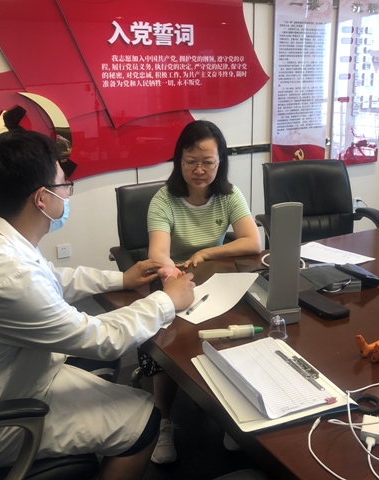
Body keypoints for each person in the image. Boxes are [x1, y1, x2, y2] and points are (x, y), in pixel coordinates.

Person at [0, 129, 195, 480]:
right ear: (42, 198)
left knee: (104, 371)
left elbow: (50, 278)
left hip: (5, 384)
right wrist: (167, 300)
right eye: (64, 184)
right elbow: (102, 339)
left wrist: (120, 279)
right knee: (144, 421)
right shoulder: (6, 273)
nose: (67, 192)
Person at [142, 120, 262, 463]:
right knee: (167, 341)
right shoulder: (163, 200)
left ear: (220, 161)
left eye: (207, 162)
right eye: (190, 161)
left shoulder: (228, 195)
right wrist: (173, 274)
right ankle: (163, 421)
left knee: (237, 331)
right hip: (173, 280)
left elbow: (253, 242)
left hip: (217, 281)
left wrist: (207, 252)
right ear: (178, 161)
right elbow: (159, 254)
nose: (199, 170)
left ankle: (230, 416)